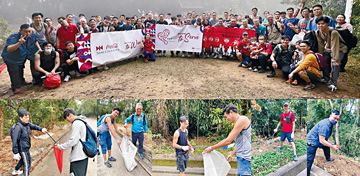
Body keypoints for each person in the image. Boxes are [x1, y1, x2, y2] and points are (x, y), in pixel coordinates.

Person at [203, 104, 251, 176]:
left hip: (245, 159)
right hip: (242, 157)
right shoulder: (239, 122)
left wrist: (211, 148)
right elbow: (241, 142)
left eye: (226, 116)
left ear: (231, 112)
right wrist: (231, 154)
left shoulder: (242, 120)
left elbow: (228, 141)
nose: (226, 119)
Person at [1, 24, 41, 94]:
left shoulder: (32, 34)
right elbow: (9, 49)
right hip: (11, 58)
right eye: (25, 32)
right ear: (20, 31)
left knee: (21, 68)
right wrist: (19, 43)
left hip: (22, 56)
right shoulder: (13, 37)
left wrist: (39, 48)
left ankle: (22, 81)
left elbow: (35, 41)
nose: (28, 33)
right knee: (14, 71)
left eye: (29, 31)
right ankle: (16, 87)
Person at [315, 16, 347, 91]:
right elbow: (321, 45)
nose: (320, 26)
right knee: (324, 62)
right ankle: (326, 78)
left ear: (327, 24)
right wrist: (320, 56)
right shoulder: (318, 32)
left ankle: (333, 83)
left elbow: (335, 46)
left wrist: (335, 59)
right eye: (318, 24)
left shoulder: (333, 32)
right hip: (329, 48)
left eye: (322, 24)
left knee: (335, 65)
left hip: (340, 49)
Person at [12, 109, 47, 176]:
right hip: (22, 149)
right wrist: (15, 152)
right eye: (25, 117)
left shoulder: (27, 124)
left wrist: (41, 129)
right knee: (27, 164)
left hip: (26, 147)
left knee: (24, 160)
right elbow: (15, 140)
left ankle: (16, 170)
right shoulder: (18, 127)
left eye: (28, 117)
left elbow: (34, 126)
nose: (27, 119)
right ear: (20, 117)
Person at [306, 110, 340, 176]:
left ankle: (328, 159)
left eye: (337, 119)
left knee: (327, 146)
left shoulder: (331, 124)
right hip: (312, 141)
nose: (335, 120)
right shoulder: (325, 125)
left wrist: (330, 143)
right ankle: (307, 173)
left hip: (319, 140)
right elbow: (322, 141)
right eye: (334, 118)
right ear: (330, 116)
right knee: (310, 160)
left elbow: (324, 138)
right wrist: (333, 146)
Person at [57, 108, 88, 176]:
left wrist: (60, 146)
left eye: (66, 117)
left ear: (70, 115)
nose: (67, 120)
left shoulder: (76, 124)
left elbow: (73, 141)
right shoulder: (82, 121)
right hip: (84, 155)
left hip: (78, 156)